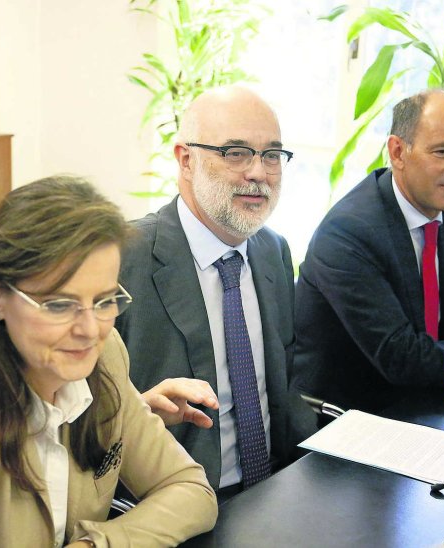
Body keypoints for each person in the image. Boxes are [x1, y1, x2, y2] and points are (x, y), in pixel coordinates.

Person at [0, 176, 217, 547]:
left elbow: (190, 490)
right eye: (59, 304)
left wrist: (95, 545)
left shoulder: (105, 358)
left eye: (105, 301)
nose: (91, 330)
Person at [116, 85, 312, 500]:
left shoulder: (272, 250)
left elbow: (283, 386)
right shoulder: (123, 256)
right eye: (236, 153)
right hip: (166, 501)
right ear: (186, 160)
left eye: (272, 155)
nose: (258, 173)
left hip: (274, 489)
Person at [292, 89, 444, 415]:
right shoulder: (347, 233)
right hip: (347, 417)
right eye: (443, 152)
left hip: (433, 400)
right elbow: (400, 356)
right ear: (398, 152)